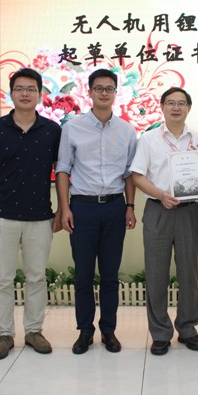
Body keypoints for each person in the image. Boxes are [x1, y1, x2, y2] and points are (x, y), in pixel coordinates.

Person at [0, 67, 62, 360]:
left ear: (40, 94)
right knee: (2, 278)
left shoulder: (52, 130)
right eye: (19, 89)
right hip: (1, 216)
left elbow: (62, 173)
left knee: (36, 277)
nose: (25, 94)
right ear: (10, 93)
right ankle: (4, 334)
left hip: (40, 216)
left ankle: (34, 331)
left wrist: (62, 208)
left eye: (31, 89)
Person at [56, 68, 138, 355]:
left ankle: (108, 330)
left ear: (116, 92)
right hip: (82, 208)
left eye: (109, 88)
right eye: (99, 88)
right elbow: (63, 169)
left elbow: (129, 174)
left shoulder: (127, 131)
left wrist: (130, 206)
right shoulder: (72, 128)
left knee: (110, 274)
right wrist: (65, 207)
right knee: (83, 275)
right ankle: (85, 331)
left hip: (115, 207)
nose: (104, 93)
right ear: (89, 92)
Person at [130, 87, 198, 356]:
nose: (176, 108)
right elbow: (137, 176)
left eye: (182, 103)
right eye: (171, 103)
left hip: (190, 212)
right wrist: (160, 195)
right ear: (162, 107)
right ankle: (160, 333)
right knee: (156, 274)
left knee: (189, 273)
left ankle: (187, 328)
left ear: (189, 108)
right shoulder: (149, 139)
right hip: (158, 210)